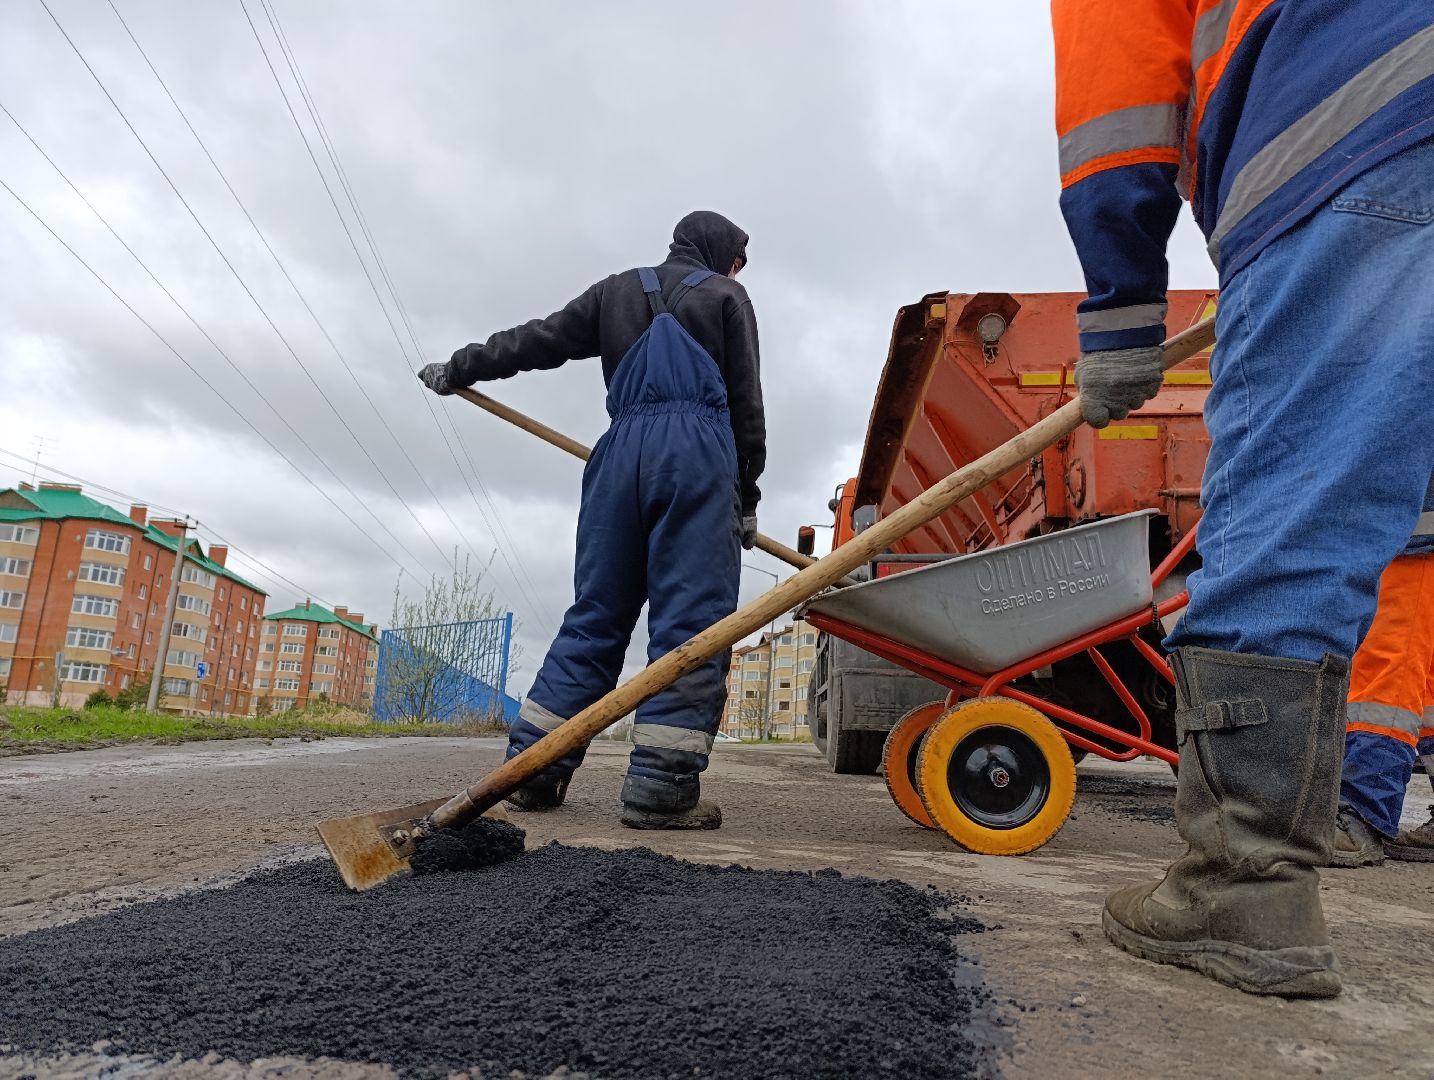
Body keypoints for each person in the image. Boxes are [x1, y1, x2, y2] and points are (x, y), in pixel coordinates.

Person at [1051, 2, 1434, 998]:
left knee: (1292, 512)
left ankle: (1243, 885)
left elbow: (1116, 85)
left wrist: (1120, 309)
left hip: (1359, 123)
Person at [419, 211, 765, 830]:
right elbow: (747, 405)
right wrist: (747, 496)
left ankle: (531, 773)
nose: (737, 272)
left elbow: (536, 339)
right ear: (722, 253)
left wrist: (461, 366)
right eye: (737, 261)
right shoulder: (725, 297)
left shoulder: (615, 292)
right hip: (695, 459)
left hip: (617, 462)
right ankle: (661, 788)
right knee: (691, 625)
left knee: (595, 617)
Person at [1333, 474, 1434, 866]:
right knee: (1423, 683)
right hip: (1412, 523)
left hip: (1409, 526)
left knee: (1386, 674)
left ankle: (1362, 810)